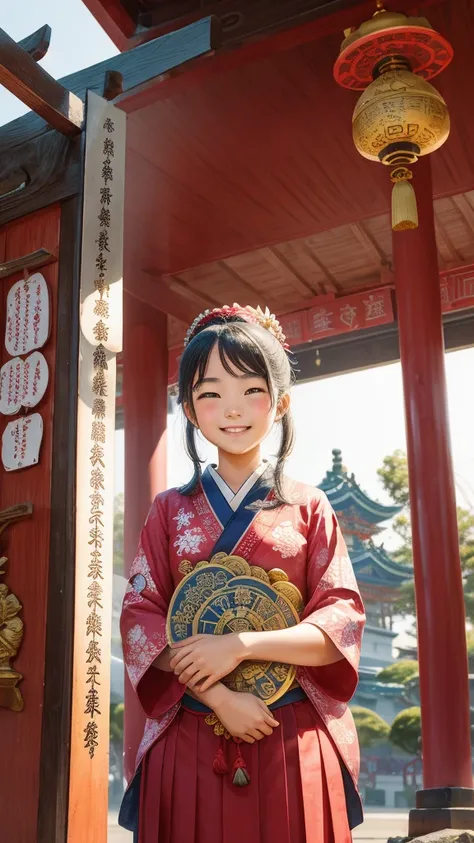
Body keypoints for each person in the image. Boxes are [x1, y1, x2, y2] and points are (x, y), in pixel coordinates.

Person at [119, 304, 365, 843]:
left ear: (280, 401)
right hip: (189, 729)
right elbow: (140, 618)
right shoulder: (167, 510)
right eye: (209, 394)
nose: (231, 410)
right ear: (188, 407)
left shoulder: (310, 506)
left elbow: (340, 620)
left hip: (289, 732)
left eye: (250, 390)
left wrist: (241, 644)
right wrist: (221, 699)